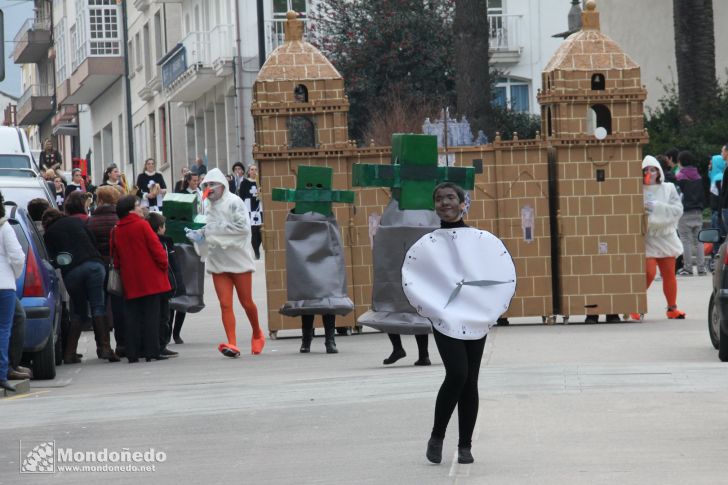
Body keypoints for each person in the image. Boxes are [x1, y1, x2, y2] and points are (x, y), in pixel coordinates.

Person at [425, 182, 487, 466]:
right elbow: (417, 277)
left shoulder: (479, 239)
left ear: (463, 204)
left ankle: (465, 445)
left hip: (474, 315)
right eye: (439, 199)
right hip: (445, 317)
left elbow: (494, 273)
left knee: (470, 379)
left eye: (450, 197)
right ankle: (437, 435)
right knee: (457, 373)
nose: (444, 202)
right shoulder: (428, 243)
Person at [185, 168, 264, 358]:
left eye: (212, 185)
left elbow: (243, 229)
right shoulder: (206, 206)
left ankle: (257, 333)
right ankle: (232, 343)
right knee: (225, 304)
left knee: (246, 303)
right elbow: (208, 229)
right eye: (206, 185)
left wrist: (212, 231)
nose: (209, 188)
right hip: (218, 262)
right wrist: (200, 235)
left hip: (238, 261)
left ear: (223, 186)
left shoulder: (234, 202)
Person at [42, 208, 115, 363]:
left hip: (72, 272)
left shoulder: (48, 234)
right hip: (94, 265)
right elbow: (93, 241)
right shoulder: (76, 221)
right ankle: (105, 348)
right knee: (98, 306)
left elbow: (53, 258)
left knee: (78, 311)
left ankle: (69, 353)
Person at [111, 196, 171, 363]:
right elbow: (156, 249)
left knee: (132, 316)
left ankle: (132, 352)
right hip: (150, 277)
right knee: (152, 315)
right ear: (131, 209)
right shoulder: (142, 225)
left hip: (130, 278)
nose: (140, 208)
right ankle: (152, 350)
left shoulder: (116, 229)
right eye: (138, 205)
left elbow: (115, 256)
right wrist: (164, 265)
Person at [629, 156, 685, 321]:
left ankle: (672, 308)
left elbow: (677, 210)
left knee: (669, 274)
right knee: (649, 272)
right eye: (646, 170)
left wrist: (657, 207)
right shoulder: (636, 189)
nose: (649, 173)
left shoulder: (668, 188)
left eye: (652, 169)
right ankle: (635, 305)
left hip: (666, 236)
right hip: (647, 237)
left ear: (659, 171)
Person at [87, 186, 126, 359]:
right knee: (119, 305)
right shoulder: (119, 219)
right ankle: (122, 344)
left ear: (100, 200)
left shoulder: (91, 221)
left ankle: (103, 346)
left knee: (99, 305)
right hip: (117, 266)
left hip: (98, 266)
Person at [0, 191, 26, 391]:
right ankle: (3, 372)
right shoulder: (4, 227)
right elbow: (18, 257)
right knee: (3, 329)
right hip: (3, 285)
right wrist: (14, 275)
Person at [147, 212, 180, 358]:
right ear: (160, 228)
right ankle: (161, 345)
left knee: (162, 315)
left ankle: (160, 344)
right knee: (163, 316)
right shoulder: (163, 242)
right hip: (163, 283)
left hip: (156, 283)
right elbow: (166, 263)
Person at [675, 151, 706, 276]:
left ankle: (688, 268)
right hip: (698, 211)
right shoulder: (698, 176)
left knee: (686, 241)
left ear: (681, 162)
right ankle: (701, 268)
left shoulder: (680, 177)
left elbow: (677, 195)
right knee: (699, 241)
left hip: (685, 212)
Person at [238, 165, 263, 259]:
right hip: (249, 208)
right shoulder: (244, 182)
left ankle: (258, 246)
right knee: (253, 230)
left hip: (259, 208)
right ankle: (256, 251)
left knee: (260, 230)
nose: (254, 171)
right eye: (252, 169)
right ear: (248, 172)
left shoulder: (260, 182)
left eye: (256, 169)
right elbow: (241, 196)